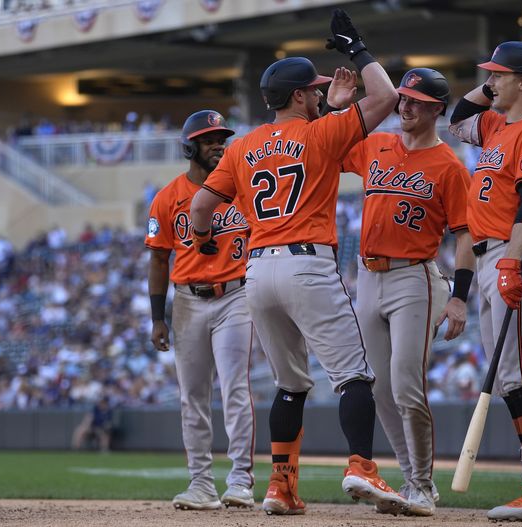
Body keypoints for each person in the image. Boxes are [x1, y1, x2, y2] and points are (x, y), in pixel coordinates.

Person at [190, 8, 407, 516]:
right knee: (354, 376)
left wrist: (203, 243)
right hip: (307, 264)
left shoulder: (241, 146)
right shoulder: (319, 135)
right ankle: (361, 466)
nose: (319, 94)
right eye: (312, 90)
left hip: (257, 271)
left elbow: (201, 207)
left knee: (290, 386)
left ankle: (281, 487)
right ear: (297, 96)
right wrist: (357, 48)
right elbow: (387, 97)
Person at [330, 67, 474, 516]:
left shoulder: (449, 165)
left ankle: (421, 484)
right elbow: (329, 145)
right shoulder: (377, 144)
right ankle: (411, 477)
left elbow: (466, 236)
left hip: (414, 276)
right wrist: (337, 107)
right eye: (403, 99)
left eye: (415, 100)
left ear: (435, 108)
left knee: (407, 384)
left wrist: (459, 297)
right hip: (368, 277)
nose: (405, 106)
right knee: (380, 389)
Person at [448, 41, 522, 521]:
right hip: (490, 255)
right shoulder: (498, 123)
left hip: (514, 255)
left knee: (519, 373)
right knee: (508, 377)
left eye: (499, 75)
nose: (489, 82)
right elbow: (457, 118)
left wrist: (512, 262)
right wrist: (494, 88)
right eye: (489, 75)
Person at [147, 110, 256, 510]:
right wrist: (157, 317)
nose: (218, 145)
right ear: (189, 146)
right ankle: (201, 484)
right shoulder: (168, 197)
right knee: (192, 396)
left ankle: (241, 480)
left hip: (235, 295)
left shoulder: (242, 190)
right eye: (209, 139)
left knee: (235, 389)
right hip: (188, 301)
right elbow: (158, 261)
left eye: (221, 138)